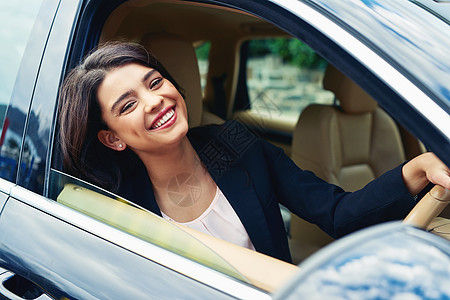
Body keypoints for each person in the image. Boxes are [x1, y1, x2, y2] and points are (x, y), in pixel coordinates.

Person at [58, 42, 450, 263]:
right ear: (113, 139)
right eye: (127, 105)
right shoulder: (111, 206)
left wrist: (413, 172)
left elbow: (338, 215)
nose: (154, 101)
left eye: (155, 82)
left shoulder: (238, 146)